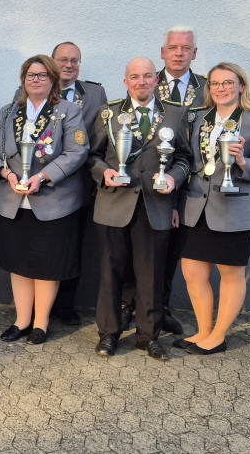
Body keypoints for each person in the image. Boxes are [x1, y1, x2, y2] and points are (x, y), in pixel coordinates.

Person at [89, 57, 191, 360]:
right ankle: (109, 333)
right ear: (126, 82)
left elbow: (184, 158)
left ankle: (149, 336)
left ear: (156, 80)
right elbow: (92, 155)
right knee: (111, 272)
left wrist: (173, 179)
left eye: (147, 76)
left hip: (155, 205)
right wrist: (104, 172)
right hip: (113, 204)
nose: (141, 82)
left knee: (152, 275)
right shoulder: (108, 113)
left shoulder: (175, 113)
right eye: (134, 77)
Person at [0, 55, 88, 344]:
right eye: (30, 75)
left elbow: (76, 152)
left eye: (42, 75)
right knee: (18, 263)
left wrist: (42, 177)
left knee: (46, 265)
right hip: (14, 201)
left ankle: (41, 323)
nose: (35, 80)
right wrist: (7, 174)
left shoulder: (68, 111)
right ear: (23, 79)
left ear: (53, 80)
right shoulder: (8, 112)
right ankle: (21, 320)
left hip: (53, 202)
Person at [121, 26, 208, 334]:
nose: (178, 53)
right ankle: (128, 306)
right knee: (135, 250)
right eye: (172, 47)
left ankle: (161, 307)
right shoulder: (146, 81)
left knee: (171, 250)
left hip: (191, 183)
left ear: (194, 53)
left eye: (186, 48)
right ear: (162, 52)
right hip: (146, 188)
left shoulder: (208, 88)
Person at [177, 62, 250, 355]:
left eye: (228, 82)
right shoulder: (198, 118)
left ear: (241, 86)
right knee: (193, 271)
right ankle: (203, 330)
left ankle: (219, 336)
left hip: (234, 209)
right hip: (197, 206)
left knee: (231, 273)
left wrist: (243, 162)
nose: (221, 88)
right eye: (215, 83)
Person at [48, 41, 107, 326]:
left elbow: (100, 137)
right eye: (63, 59)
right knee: (44, 245)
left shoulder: (95, 93)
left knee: (72, 246)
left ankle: (65, 304)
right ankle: (39, 306)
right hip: (42, 183)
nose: (69, 65)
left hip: (80, 183)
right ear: (52, 61)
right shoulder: (35, 88)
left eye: (75, 61)